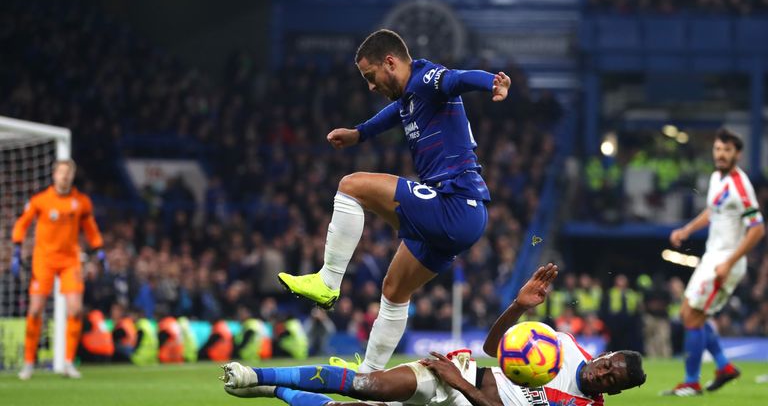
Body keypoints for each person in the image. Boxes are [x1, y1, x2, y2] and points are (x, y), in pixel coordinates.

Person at [277, 29, 511, 373]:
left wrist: (493, 82)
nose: (370, 87)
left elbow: (457, 80)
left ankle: (328, 282)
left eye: (370, 77)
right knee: (393, 290)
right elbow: (395, 114)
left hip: (456, 202)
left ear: (390, 62)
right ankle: (370, 376)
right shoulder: (409, 98)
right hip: (456, 214)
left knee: (351, 185)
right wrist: (359, 133)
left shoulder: (427, 78)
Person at [221, 264, 647, 405]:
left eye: (612, 380)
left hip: (463, 390)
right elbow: (492, 348)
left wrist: (459, 384)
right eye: (608, 365)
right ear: (604, 355)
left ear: (616, 391)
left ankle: (275, 393)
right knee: (373, 385)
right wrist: (518, 307)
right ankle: (257, 376)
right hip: (460, 377)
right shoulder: (565, 347)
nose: (603, 374)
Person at [663, 128, 765, 396]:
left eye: (727, 150)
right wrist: (687, 229)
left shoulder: (740, 185)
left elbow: (757, 229)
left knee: (692, 316)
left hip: (725, 261)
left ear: (737, 154)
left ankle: (691, 382)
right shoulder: (717, 178)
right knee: (690, 314)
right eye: (718, 149)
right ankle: (723, 367)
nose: (721, 154)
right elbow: (713, 210)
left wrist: (729, 262)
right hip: (712, 257)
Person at [11, 159, 107, 379]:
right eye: (61, 172)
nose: (64, 176)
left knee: (75, 309)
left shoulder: (81, 202)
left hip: (70, 260)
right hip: (43, 259)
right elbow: (22, 223)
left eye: (68, 173)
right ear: (54, 175)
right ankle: (28, 363)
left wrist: (99, 248)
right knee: (35, 309)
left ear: (72, 176)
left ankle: (68, 362)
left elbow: (90, 228)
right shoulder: (40, 201)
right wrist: (17, 246)